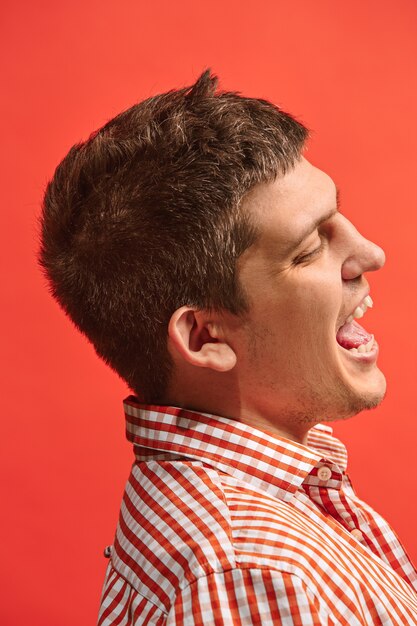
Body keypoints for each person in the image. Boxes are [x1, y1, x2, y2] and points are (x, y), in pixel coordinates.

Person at [38, 70, 417, 625]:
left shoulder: (275, 511)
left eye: (339, 213)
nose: (371, 252)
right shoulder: (251, 574)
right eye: (309, 248)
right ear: (205, 337)